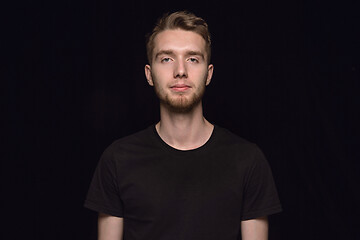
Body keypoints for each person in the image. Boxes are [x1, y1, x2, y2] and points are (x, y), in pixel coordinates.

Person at [85, 11, 282, 240]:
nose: (180, 71)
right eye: (167, 58)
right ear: (149, 74)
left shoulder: (248, 160)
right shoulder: (117, 160)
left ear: (208, 74)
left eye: (192, 59)